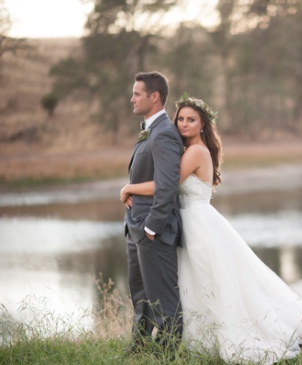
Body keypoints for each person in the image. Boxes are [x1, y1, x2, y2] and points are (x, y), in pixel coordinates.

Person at [120, 94, 302, 364]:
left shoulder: (195, 152)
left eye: (191, 120)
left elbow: (165, 185)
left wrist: (129, 187)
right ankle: (200, 336)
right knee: (198, 282)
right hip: (190, 221)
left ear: (202, 124)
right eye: (180, 119)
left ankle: (221, 335)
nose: (183, 124)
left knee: (211, 281)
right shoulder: (189, 150)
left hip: (198, 224)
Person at [122, 71, 184, 353]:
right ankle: (138, 349)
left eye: (137, 93)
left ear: (154, 96)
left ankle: (168, 355)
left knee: (164, 301)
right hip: (136, 226)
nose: (132, 98)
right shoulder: (150, 128)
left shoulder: (165, 133)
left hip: (152, 230)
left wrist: (152, 227)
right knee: (141, 296)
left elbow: (168, 186)